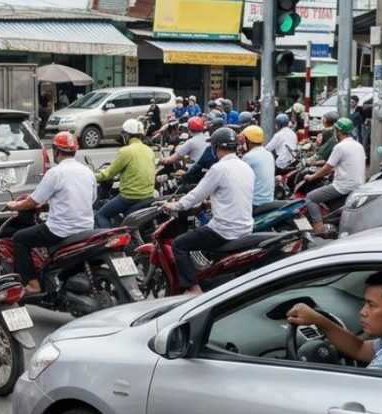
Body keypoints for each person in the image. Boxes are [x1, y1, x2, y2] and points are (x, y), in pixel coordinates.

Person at [163, 127, 254, 295]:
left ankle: (193, 288)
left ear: (215, 147)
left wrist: (175, 205)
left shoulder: (218, 169)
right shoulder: (246, 167)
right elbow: (233, 194)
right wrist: (209, 203)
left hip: (224, 230)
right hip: (246, 228)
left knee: (179, 244)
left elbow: (195, 194)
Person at [5, 131, 94, 296]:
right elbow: (91, 198)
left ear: (56, 150)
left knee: (20, 239)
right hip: (86, 229)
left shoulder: (55, 173)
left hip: (60, 230)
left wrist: (14, 206)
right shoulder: (87, 172)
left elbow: (33, 201)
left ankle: (32, 285)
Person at [286, 270, 382, 370]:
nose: (362, 312)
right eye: (364, 303)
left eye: (371, 305)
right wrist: (318, 320)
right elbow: (359, 348)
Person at [301, 117, 365, 235]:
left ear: (338, 131)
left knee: (310, 197)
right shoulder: (358, 145)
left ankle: (318, 227)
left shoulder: (340, 147)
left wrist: (312, 177)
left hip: (343, 186)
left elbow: (327, 168)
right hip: (358, 185)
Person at [93, 119, 155, 228]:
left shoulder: (126, 151)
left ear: (127, 135)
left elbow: (108, 174)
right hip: (148, 196)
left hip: (129, 197)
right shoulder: (149, 150)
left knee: (101, 215)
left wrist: (90, 176)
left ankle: (108, 242)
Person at [240, 125, 275, 207]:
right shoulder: (268, 154)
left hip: (254, 203)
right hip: (269, 200)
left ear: (248, 141)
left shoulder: (249, 157)